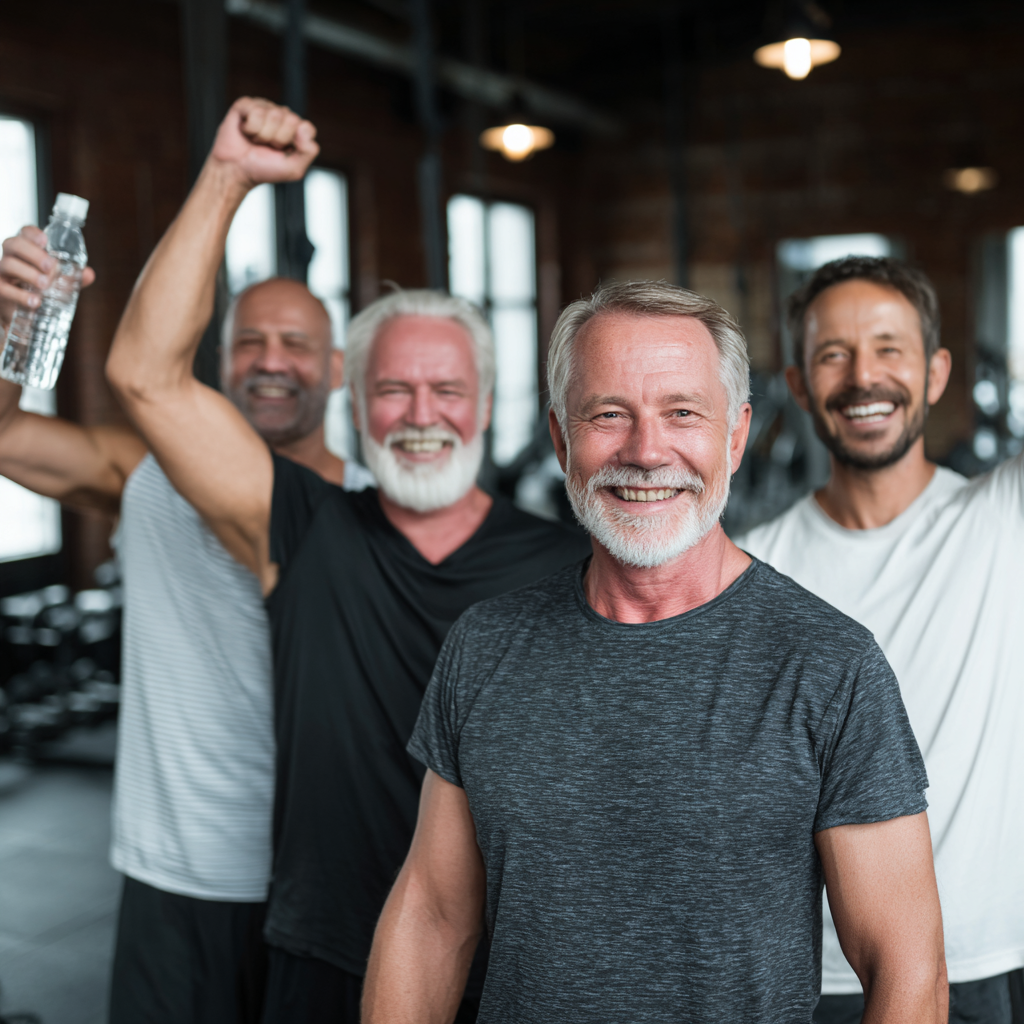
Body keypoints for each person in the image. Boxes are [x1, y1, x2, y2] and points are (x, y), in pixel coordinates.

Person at [103, 96, 590, 1024]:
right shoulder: (304, 528)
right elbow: (144, 376)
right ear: (353, 404)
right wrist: (228, 177)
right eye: (392, 389)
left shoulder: (566, 563)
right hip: (323, 958)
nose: (419, 414)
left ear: (486, 405)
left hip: (507, 973)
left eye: (446, 389)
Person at [362, 279, 948, 1024]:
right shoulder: (486, 646)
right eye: (609, 414)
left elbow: (909, 971)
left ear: (734, 437)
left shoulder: (829, 667)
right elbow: (434, 917)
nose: (645, 451)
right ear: (559, 437)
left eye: (682, 413)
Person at [0, 225, 370, 1023]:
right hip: (171, 878)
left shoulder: (378, 511)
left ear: (337, 368)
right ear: (220, 362)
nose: (271, 360)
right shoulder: (149, 475)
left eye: (297, 344)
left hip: (325, 885)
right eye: (250, 342)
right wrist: (11, 321)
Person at [736, 256, 1024, 1024]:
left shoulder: (1003, 520)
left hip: (979, 963)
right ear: (799, 385)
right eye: (833, 354)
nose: (864, 377)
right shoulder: (753, 568)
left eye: (889, 348)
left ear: (935, 373)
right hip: (806, 974)